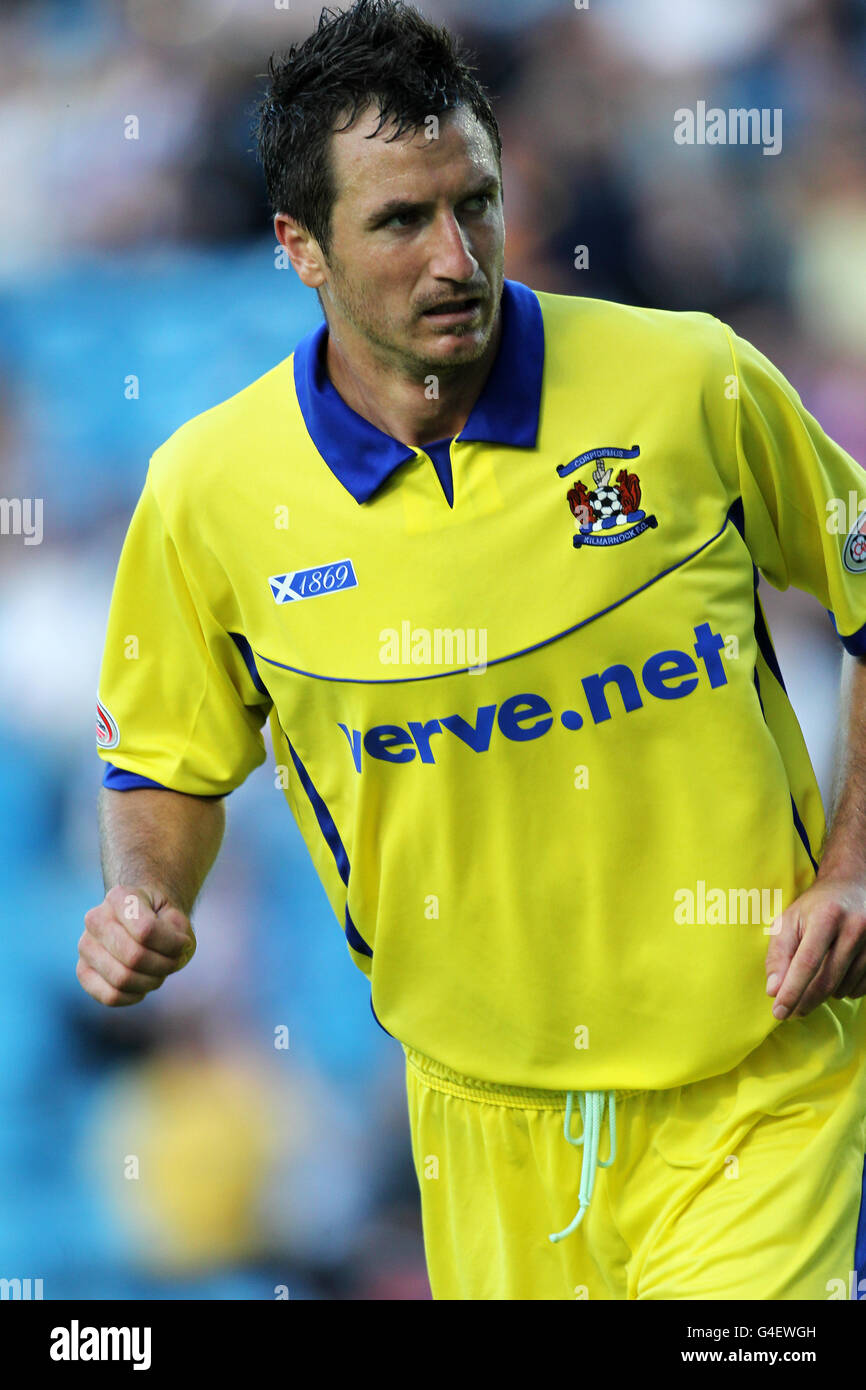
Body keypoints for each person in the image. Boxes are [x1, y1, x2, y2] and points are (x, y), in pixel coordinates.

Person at [82, 0, 866, 1300]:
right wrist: (144, 897)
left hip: (755, 1085)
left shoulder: (687, 382)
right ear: (300, 247)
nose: (456, 257)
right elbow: (165, 759)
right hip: (477, 1120)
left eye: (477, 202)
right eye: (398, 221)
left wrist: (852, 865)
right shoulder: (207, 493)